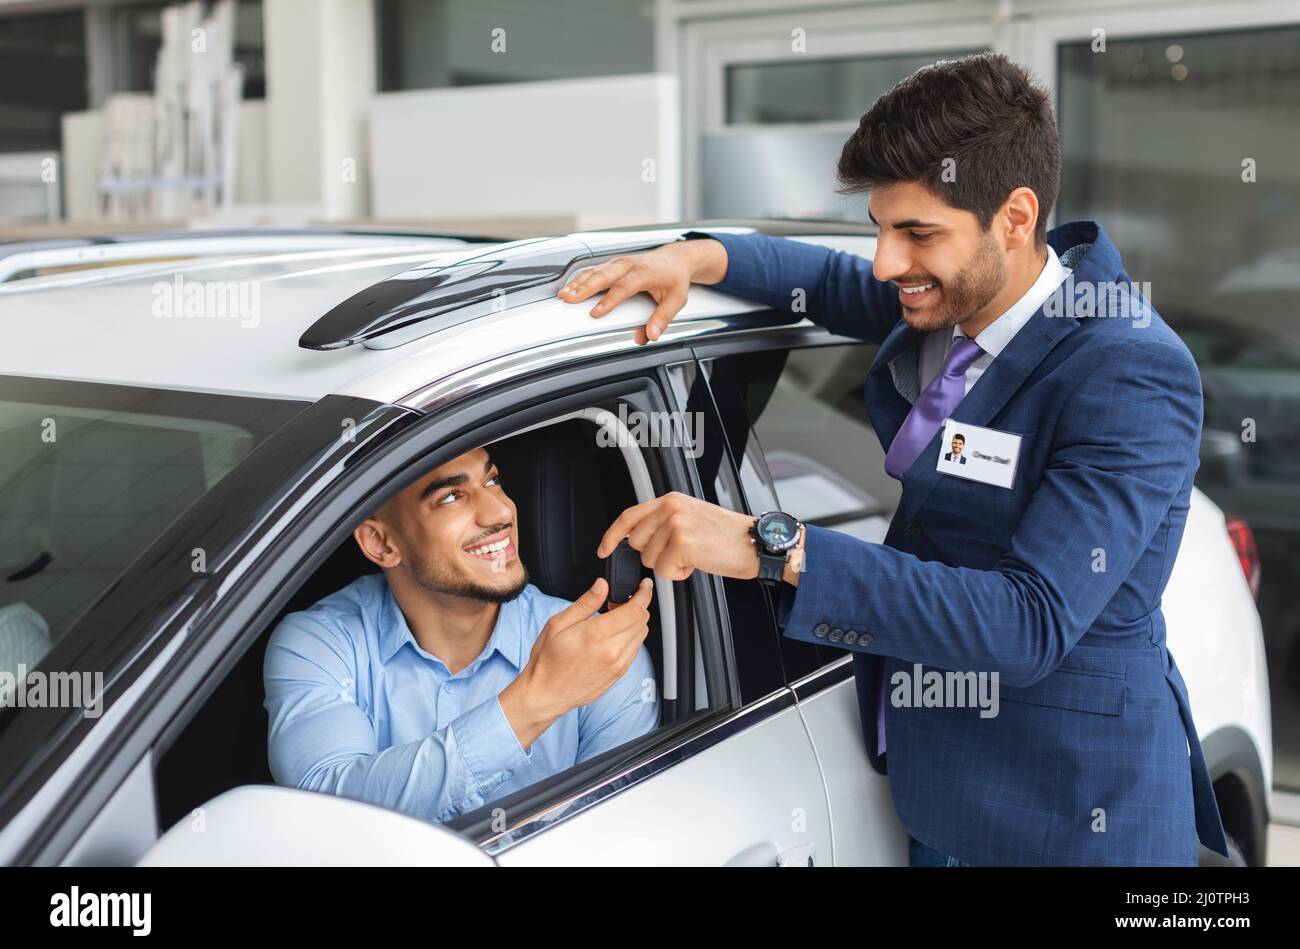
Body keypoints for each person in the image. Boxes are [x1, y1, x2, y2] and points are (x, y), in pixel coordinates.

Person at [559, 53, 1229, 866]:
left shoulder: (1126, 369)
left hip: (1070, 813)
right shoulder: (956, 292)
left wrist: (768, 545)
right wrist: (693, 260)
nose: (886, 263)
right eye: (881, 226)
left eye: (916, 233)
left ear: (1016, 218)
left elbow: (1030, 623)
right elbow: (824, 279)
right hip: (940, 792)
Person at [264, 446, 658, 824]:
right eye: (451, 496)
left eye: (492, 481)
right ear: (382, 543)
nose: (501, 510)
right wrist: (538, 700)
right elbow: (327, 811)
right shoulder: (319, 641)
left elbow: (611, 835)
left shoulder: (600, 651)